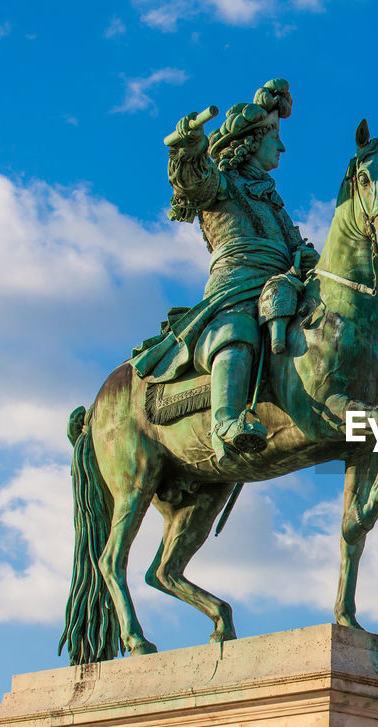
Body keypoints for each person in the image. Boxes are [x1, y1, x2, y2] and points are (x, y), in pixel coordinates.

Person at [131, 78, 318, 460]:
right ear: (250, 141)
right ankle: (226, 420)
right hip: (237, 285)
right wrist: (191, 147)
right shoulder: (222, 185)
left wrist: (312, 259)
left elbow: (297, 246)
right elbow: (191, 180)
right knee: (237, 330)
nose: (281, 146)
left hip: (283, 282)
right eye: (273, 137)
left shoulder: (272, 200)